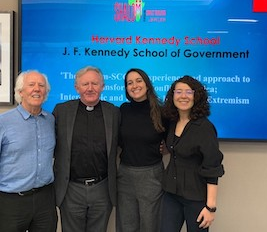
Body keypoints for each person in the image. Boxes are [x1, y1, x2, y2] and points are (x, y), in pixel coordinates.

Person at [53, 66, 120, 232]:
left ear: (103, 87)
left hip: (102, 188)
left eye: (95, 84)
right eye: (85, 84)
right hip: (71, 189)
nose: (90, 88)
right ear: (77, 88)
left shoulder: (114, 112)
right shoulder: (61, 111)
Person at [160, 75, 224, 232]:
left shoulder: (204, 128)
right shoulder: (172, 121)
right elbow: (174, 148)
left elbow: (212, 168)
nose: (183, 96)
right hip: (171, 194)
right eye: (179, 91)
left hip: (196, 198)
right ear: (172, 95)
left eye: (189, 92)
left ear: (197, 96)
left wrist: (210, 207)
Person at [0, 70, 57, 232]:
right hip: (11, 202)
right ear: (20, 92)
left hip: (45, 199)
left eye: (41, 85)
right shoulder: (4, 122)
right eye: (31, 85)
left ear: (46, 92)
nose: (37, 89)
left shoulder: (50, 120)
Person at [117, 68, 166, 232]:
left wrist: (165, 148)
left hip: (151, 176)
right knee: (126, 225)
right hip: (125, 175)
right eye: (129, 83)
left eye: (138, 81)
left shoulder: (161, 112)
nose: (134, 85)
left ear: (147, 84)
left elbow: (175, 140)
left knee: (150, 225)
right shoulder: (122, 110)